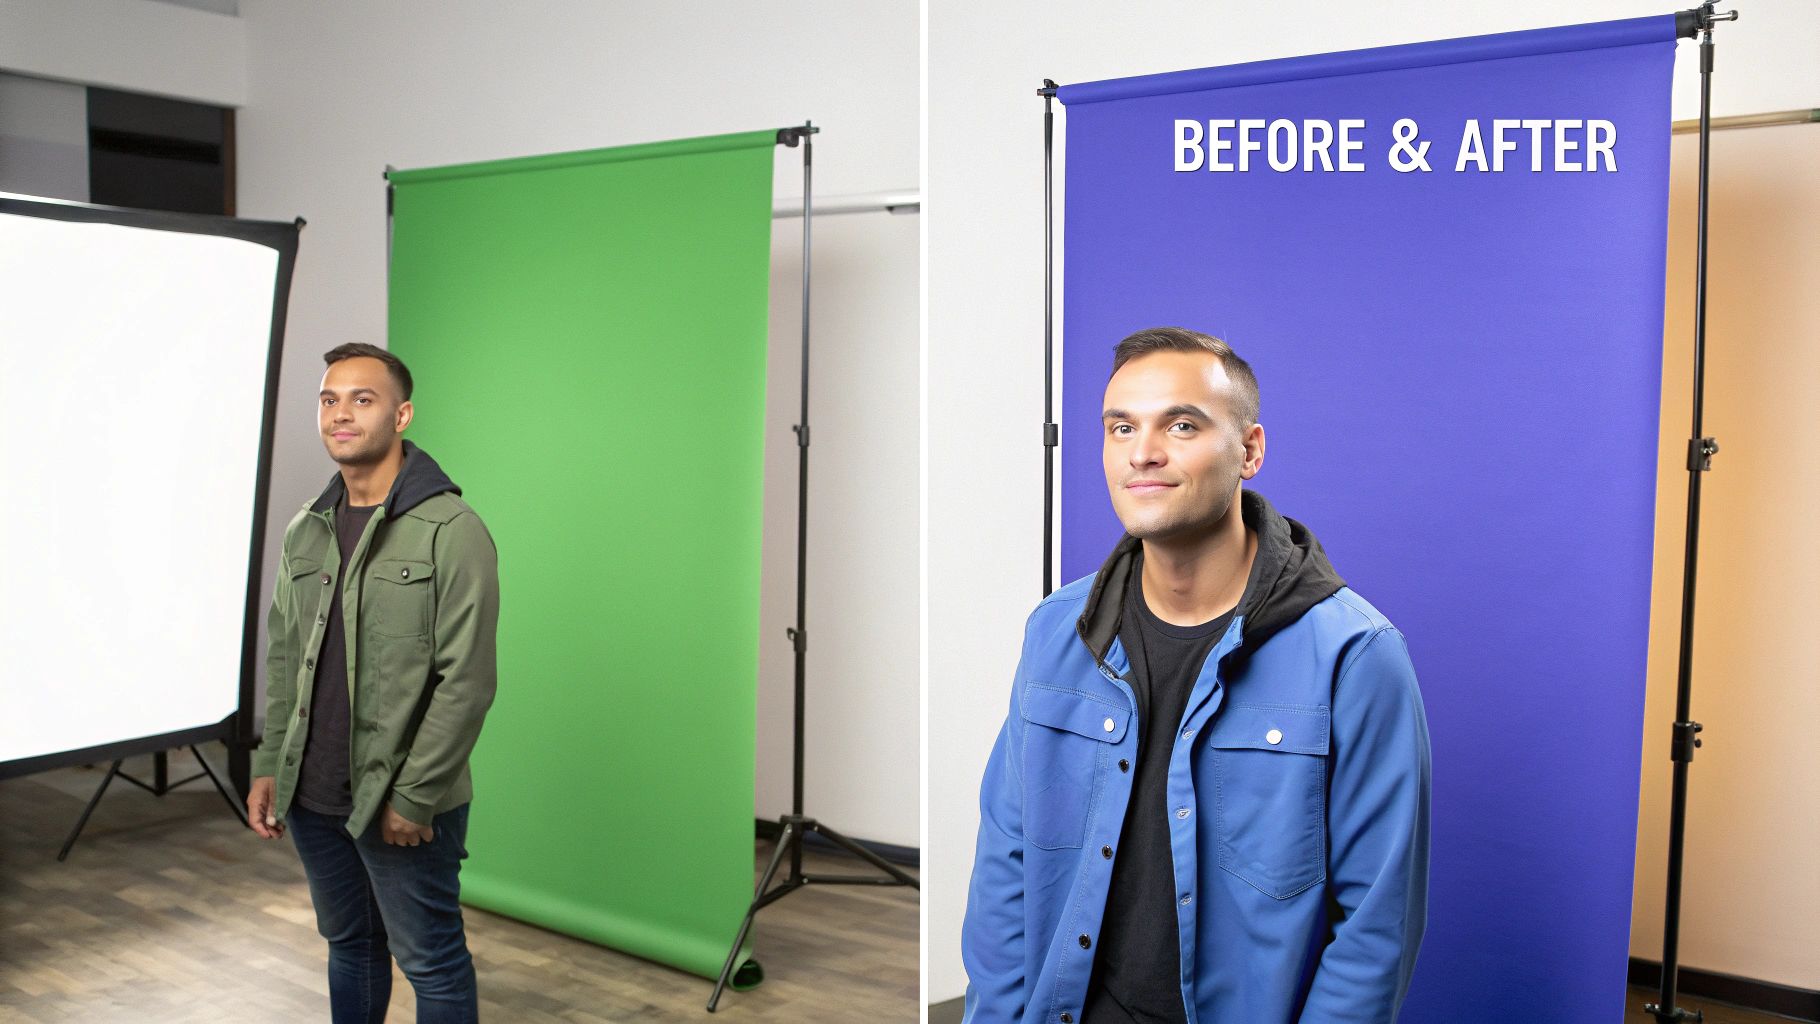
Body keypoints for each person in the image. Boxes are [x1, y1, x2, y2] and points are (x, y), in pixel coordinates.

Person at [962, 327, 1431, 1023]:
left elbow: (1376, 925)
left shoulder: (1355, 655)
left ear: (1250, 451)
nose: (1143, 452)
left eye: (1180, 425)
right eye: (1121, 427)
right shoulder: (1056, 631)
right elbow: (1006, 860)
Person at [245, 342, 499, 1024]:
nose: (341, 414)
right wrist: (269, 762)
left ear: (402, 415)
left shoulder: (453, 531)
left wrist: (415, 796)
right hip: (312, 794)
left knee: (432, 963)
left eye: (363, 399)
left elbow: (467, 681)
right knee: (351, 946)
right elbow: (285, 657)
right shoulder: (306, 529)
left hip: (401, 800)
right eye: (330, 400)